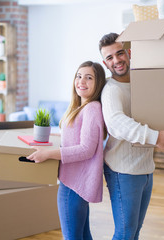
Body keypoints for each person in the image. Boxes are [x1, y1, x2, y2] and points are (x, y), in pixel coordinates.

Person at [99, 32, 164, 240]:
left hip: (145, 168)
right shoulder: (111, 90)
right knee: (126, 233)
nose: (116, 60)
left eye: (119, 54)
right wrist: (156, 137)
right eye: (110, 58)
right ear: (105, 63)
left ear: (128, 53)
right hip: (123, 171)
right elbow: (116, 124)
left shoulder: (142, 83)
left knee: (135, 230)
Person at [27, 61, 106, 240]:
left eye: (89, 77)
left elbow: (86, 149)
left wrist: (47, 154)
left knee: (72, 236)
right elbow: (73, 141)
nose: (81, 81)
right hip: (75, 182)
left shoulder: (92, 108)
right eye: (78, 76)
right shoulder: (81, 107)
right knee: (83, 235)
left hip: (74, 184)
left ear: (98, 83)